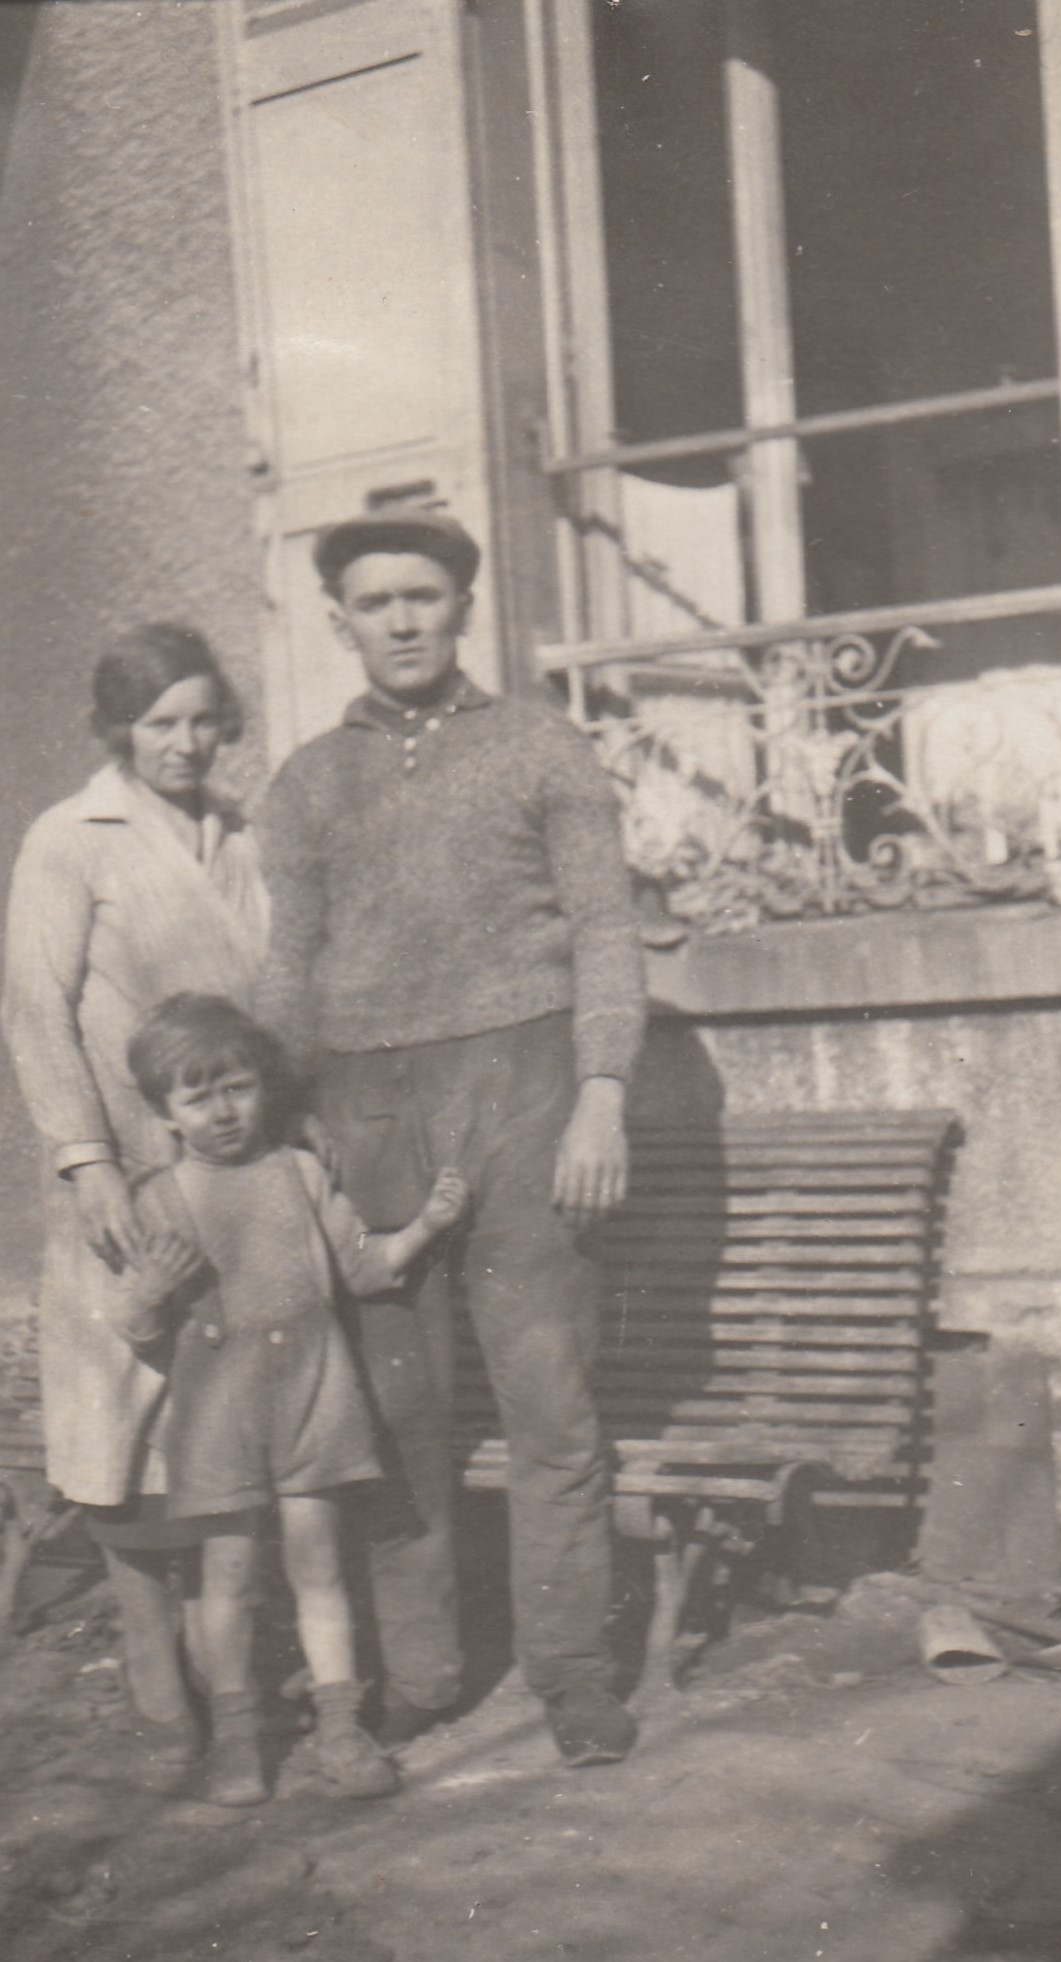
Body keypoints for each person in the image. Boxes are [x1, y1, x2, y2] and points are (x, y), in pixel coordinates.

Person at [257, 503, 646, 1765]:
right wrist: (286, 1121)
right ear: (341, 624)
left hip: (526, 1092)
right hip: (366, 1108)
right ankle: (422, 1673)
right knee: (397, 1409)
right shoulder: (306, 783)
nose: (403, 622)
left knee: (549, 1402)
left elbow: (604, 928)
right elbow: (289, 966)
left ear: (464, 609)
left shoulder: (541, 744)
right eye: (376, 603)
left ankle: (573, 1675)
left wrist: (600, 1091)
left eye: (422, 597)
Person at [2, 625, 269, 1774]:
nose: (185, 743)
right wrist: (87, 1160)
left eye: (204, 720)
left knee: (219, 1433)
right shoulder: (70, 839)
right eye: (161, 723)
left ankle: (231, 1684)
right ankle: (162, 1698)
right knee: (122, 1429)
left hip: (231, 1168)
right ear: (120, 729)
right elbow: (35, 1011)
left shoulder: (239, 835)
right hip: (118, 1174)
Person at [116, 993, 468, 1805]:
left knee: (319, 1568)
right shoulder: (159, 1199)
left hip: (315, 1398)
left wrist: (427, 1225)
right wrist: (149, 1293)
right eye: (197, 1099)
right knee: (228, 1577)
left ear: (262, 1089)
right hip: (218, 1417)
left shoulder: (300, 1173)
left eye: (237, 1088)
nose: (223, 1113)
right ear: (165, 1115)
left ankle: (340, 1730)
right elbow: (135, 1330)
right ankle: (237, 1740)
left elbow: (363, 1267)